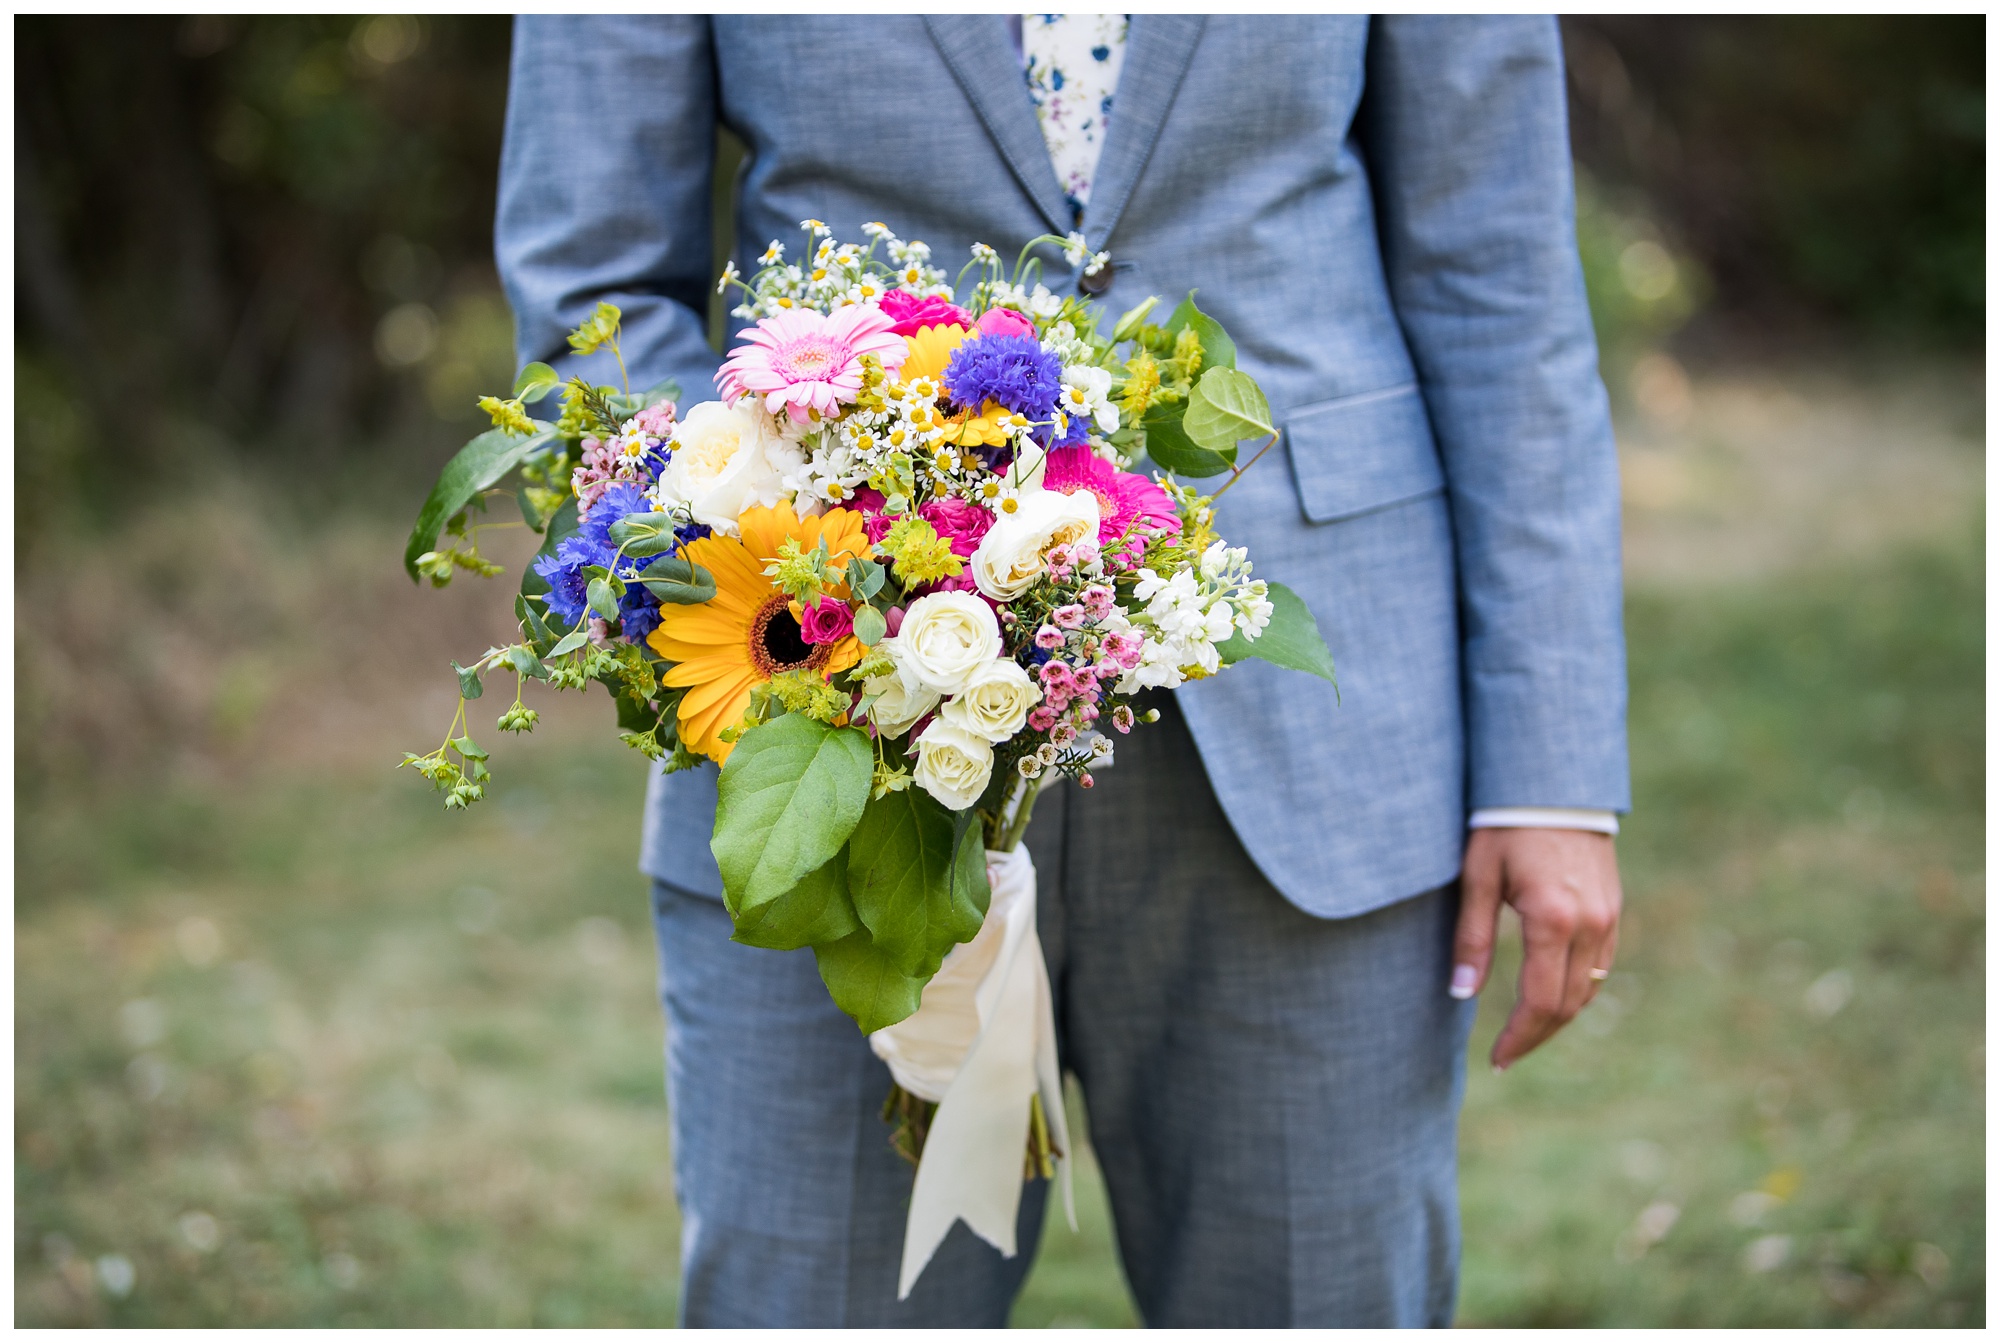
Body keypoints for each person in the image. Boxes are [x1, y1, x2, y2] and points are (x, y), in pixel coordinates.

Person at [496, 15, 1628, 1328]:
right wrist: (770, 526)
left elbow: (1502, 284)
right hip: (826, 729)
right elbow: (593, 283)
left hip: (1314, 748)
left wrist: (1552, 768)